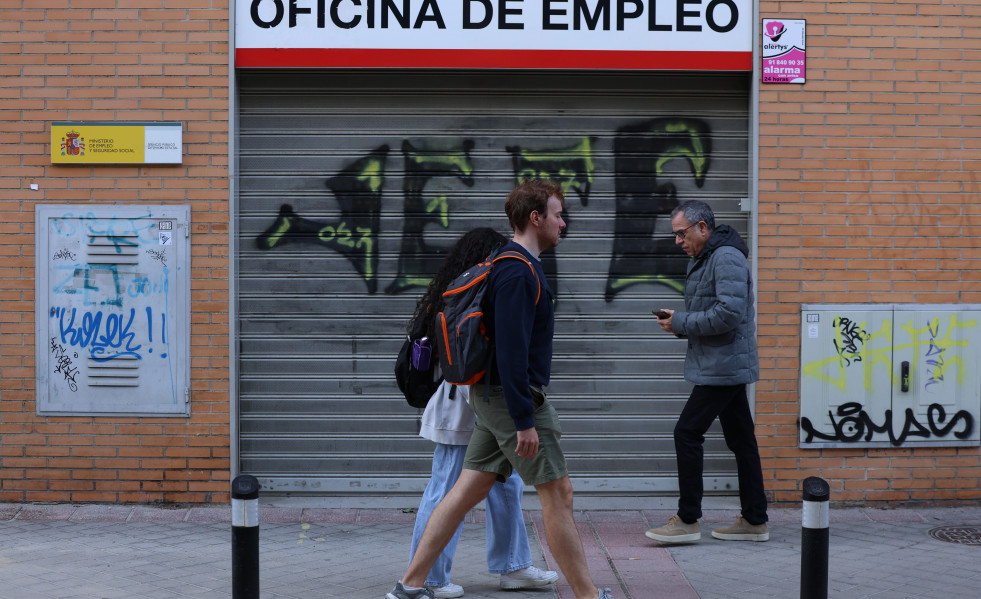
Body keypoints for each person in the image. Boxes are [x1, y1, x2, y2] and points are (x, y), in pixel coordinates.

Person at [387, 180, 614, 599]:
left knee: (463, 491)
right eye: (558, 214)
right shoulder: (516, 271)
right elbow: (510, 352)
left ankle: (411, 584)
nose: (563, 223)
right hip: (512, 400)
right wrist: (524, 419)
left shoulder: (516, 266)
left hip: (494, 400)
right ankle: (586, 594)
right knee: (558, 492)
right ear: (535, 218)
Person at [405, 227, 558, 599]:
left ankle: (513, 565)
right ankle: (428, 576)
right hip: (463, 403)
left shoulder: (465, 286)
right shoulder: (476, 288)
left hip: (485, 401)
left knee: (507, 484)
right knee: (446, 487)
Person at [646, 199, 769, 545]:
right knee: (742, 440)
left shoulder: (725, 257)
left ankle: (687, 520)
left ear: (702, 227)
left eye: (681, 233)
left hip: (723, 367)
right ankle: (755, 520)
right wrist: (681, 319)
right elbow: (716, 307)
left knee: (686, 433)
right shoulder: (710, 256)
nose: (678, 241)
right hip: (723, 364)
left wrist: (682, 322)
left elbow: (729, 314)